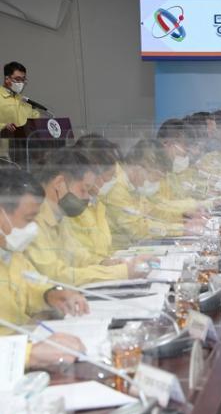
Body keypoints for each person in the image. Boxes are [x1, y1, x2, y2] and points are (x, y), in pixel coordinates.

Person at [0, 167, 89, 367]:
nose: (34, 228)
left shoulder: (9, 252)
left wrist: (51, 294)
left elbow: (28, 285)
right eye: (29, 219)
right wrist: (28, 355)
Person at [25, 148, 145, 286]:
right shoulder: (30, 219)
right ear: (59, 184)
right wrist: (121, 272)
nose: (87, 197)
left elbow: (77, 256)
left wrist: (104, 263)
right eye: (84, 189)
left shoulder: (57, 215)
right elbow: (56, 276)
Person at [67, 134, 120, 261]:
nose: (112, 180)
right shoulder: (71, 207)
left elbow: (105, 248)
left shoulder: (96, 203)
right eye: (110, 175)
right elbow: (79, 259)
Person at [0, 62, 40, 132]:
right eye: (18, 79)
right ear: (7, 79)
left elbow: (36, 122)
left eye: (23, 79)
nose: (21, 83)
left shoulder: (25, 102)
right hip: (4, 138)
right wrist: (3, 126)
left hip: (24, 139)